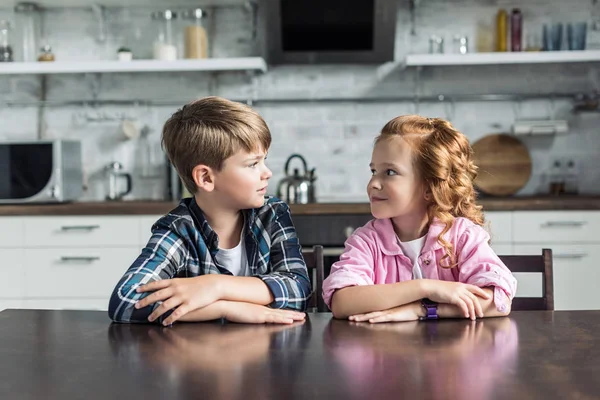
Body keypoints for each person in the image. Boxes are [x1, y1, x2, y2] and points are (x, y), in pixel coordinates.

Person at [108, 96, 311, 326]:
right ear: (206, 177)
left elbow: (299, 289)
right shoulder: (180, 230)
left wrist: (215, 286)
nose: (267, 172)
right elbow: (125, 301)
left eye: (264, 160)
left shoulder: (271, 214)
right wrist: (225, 308)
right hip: (199, 357)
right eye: (253, 164)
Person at [322, 115, 517, 322]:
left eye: (389, 172)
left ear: (429, 187)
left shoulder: (462, 236)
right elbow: (342, 302)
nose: (373, 183)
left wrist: (422, 309)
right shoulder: (367, 241)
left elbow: (497, 300)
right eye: (373, 171)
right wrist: (425, 287)